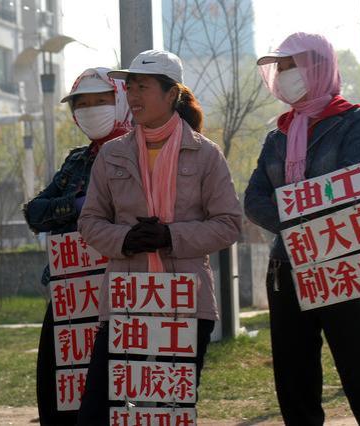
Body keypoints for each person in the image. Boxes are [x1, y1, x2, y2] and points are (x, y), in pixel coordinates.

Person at [76, 50, 242, 425]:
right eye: (130, 86)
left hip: (186, 302)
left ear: (172, 94)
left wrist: (170, 236)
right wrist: (126, 240)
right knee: (96, 411)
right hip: (126, 301)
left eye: (144, 87)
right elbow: (90, 222)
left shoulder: (205, 155)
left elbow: (229, 223)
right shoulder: (113, 155)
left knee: (168, 412)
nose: (133, 95)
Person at [244, 32, 360, 426]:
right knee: (295, 387)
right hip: (286, 268)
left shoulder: (352, 119)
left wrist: (296, 211)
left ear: (317, 66)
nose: (283, 75)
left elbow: (353, 184)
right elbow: (254, 199)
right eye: (278, 68)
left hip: (339, 261)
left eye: (290, 65)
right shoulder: (277, 134)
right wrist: (300, 221)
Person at [23, 67, 132, 426]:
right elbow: (35, 212)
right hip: (69, 288)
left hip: (118, 289)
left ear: (120, 101)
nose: (91, 110)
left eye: (101, 101)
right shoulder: (76, 161)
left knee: (112, 388)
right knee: (58, 383)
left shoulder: (139, 154)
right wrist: (76, 204)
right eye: (82, 104)